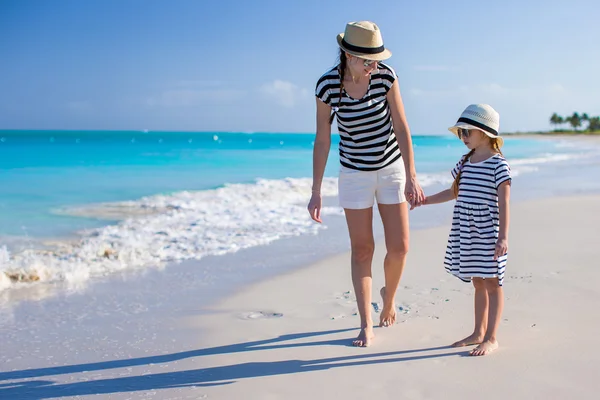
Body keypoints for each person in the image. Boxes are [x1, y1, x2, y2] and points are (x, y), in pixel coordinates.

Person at [308, 21, 424, 347]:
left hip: (390, 169)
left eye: (375, 58)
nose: (373, 65)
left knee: (400, 246)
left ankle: (388, 299)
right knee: (362, 250)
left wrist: (412, 176)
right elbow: (322, 140)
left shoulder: (386, 76)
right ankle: (365, 323)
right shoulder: (328, 85)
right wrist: (316, 191)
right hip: (354, 175)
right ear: (347, 53)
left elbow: (401, 127)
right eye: (366, 59)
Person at [422, 104, 511, 356]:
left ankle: (492, 337)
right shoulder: (465, 161)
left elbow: (504, 203)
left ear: (484, 132)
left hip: (488, 231)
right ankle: (478, 332)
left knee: (492, 282)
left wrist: (503, 236)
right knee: (477, 281)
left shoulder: (498, 165)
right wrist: (425, 200)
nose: (462, 137)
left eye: (466, 132)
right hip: (467, 230)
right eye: (460, 133)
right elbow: (453, 192)